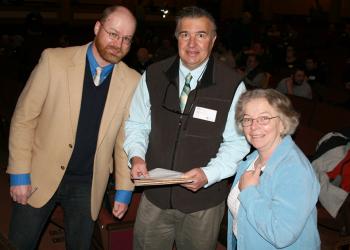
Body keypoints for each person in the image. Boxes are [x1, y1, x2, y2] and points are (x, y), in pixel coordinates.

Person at [7, 5, 140, 250]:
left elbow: (124, 139)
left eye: (126, 39)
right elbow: (24, 118)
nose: (118, 43)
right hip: (39, 173)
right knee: (20, 244)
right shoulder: (54, 60)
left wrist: (124, 189)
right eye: (113, 34)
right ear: (97, 27)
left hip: (88, 183)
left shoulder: (132, 80)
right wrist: (19, 173)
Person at [124, 6, 250, 250]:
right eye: (185, 34)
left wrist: (209, 174)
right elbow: (137, 123)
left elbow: (237, 143)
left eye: (201, 35)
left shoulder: (231, 84)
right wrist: (136, 156)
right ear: (176, 38)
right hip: (155, 197)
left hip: (203, 204)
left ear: (213, 40)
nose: (192, 43)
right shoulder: (153, 74)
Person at [227, 89, 320, 250]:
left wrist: (249, 192)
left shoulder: (294, 170)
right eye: (248, 119)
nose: (254, 126)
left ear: (283, 123)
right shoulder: (252, 159)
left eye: (264, 118)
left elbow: (281, 234)